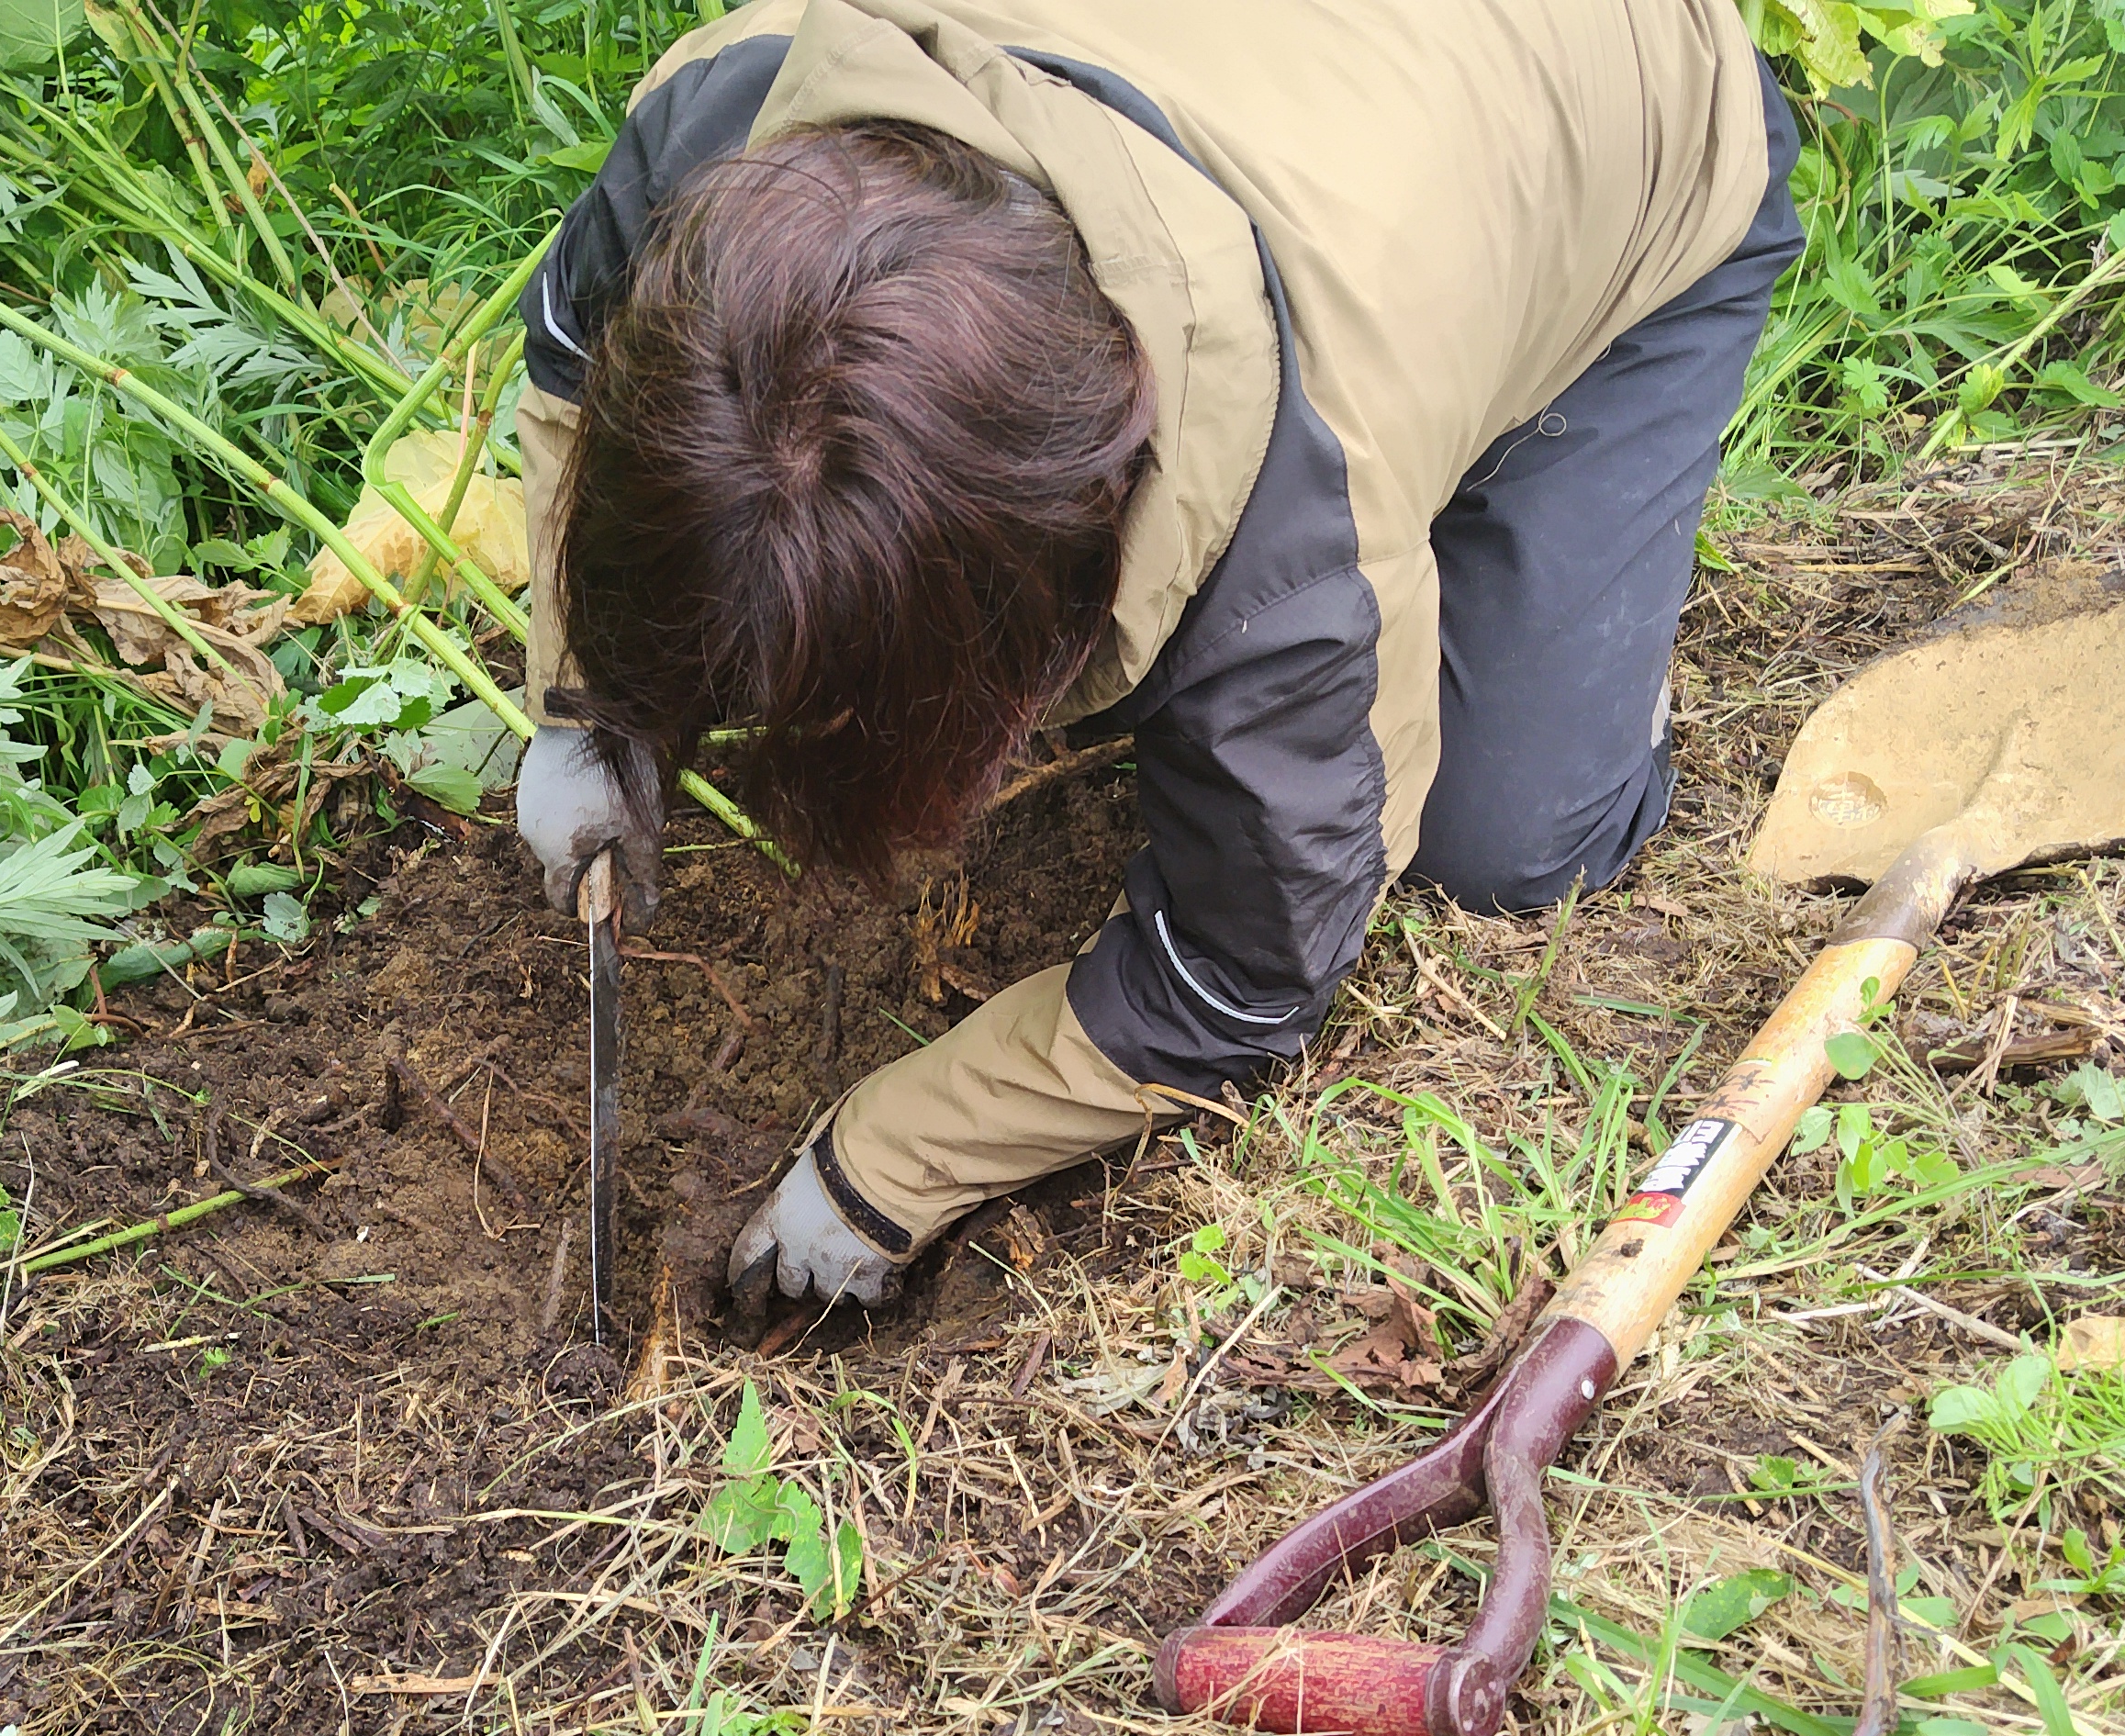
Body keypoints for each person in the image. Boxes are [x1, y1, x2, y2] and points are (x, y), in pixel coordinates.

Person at [511, 0, 1804, 1305]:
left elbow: (1241, 983)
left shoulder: (1293, 576)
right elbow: (571, 379)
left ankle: (1509, 460)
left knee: (1508, 842)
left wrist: (886, 1164)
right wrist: (586, 702)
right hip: (1315, 107)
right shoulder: (726, 137)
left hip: (1625, 105)